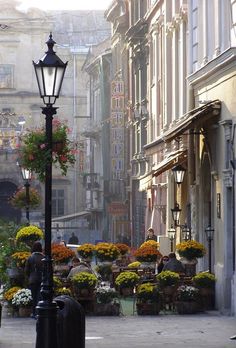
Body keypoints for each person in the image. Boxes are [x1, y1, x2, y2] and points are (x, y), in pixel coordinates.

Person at [25, 241, 44, 318]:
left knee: (34, 296)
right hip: (42, 279)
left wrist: (29, 276)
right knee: (40, 296)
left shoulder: (30, 257)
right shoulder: (43, 257)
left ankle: (33, 312)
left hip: (32, 279)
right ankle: (39, 312)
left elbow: (26, 270)